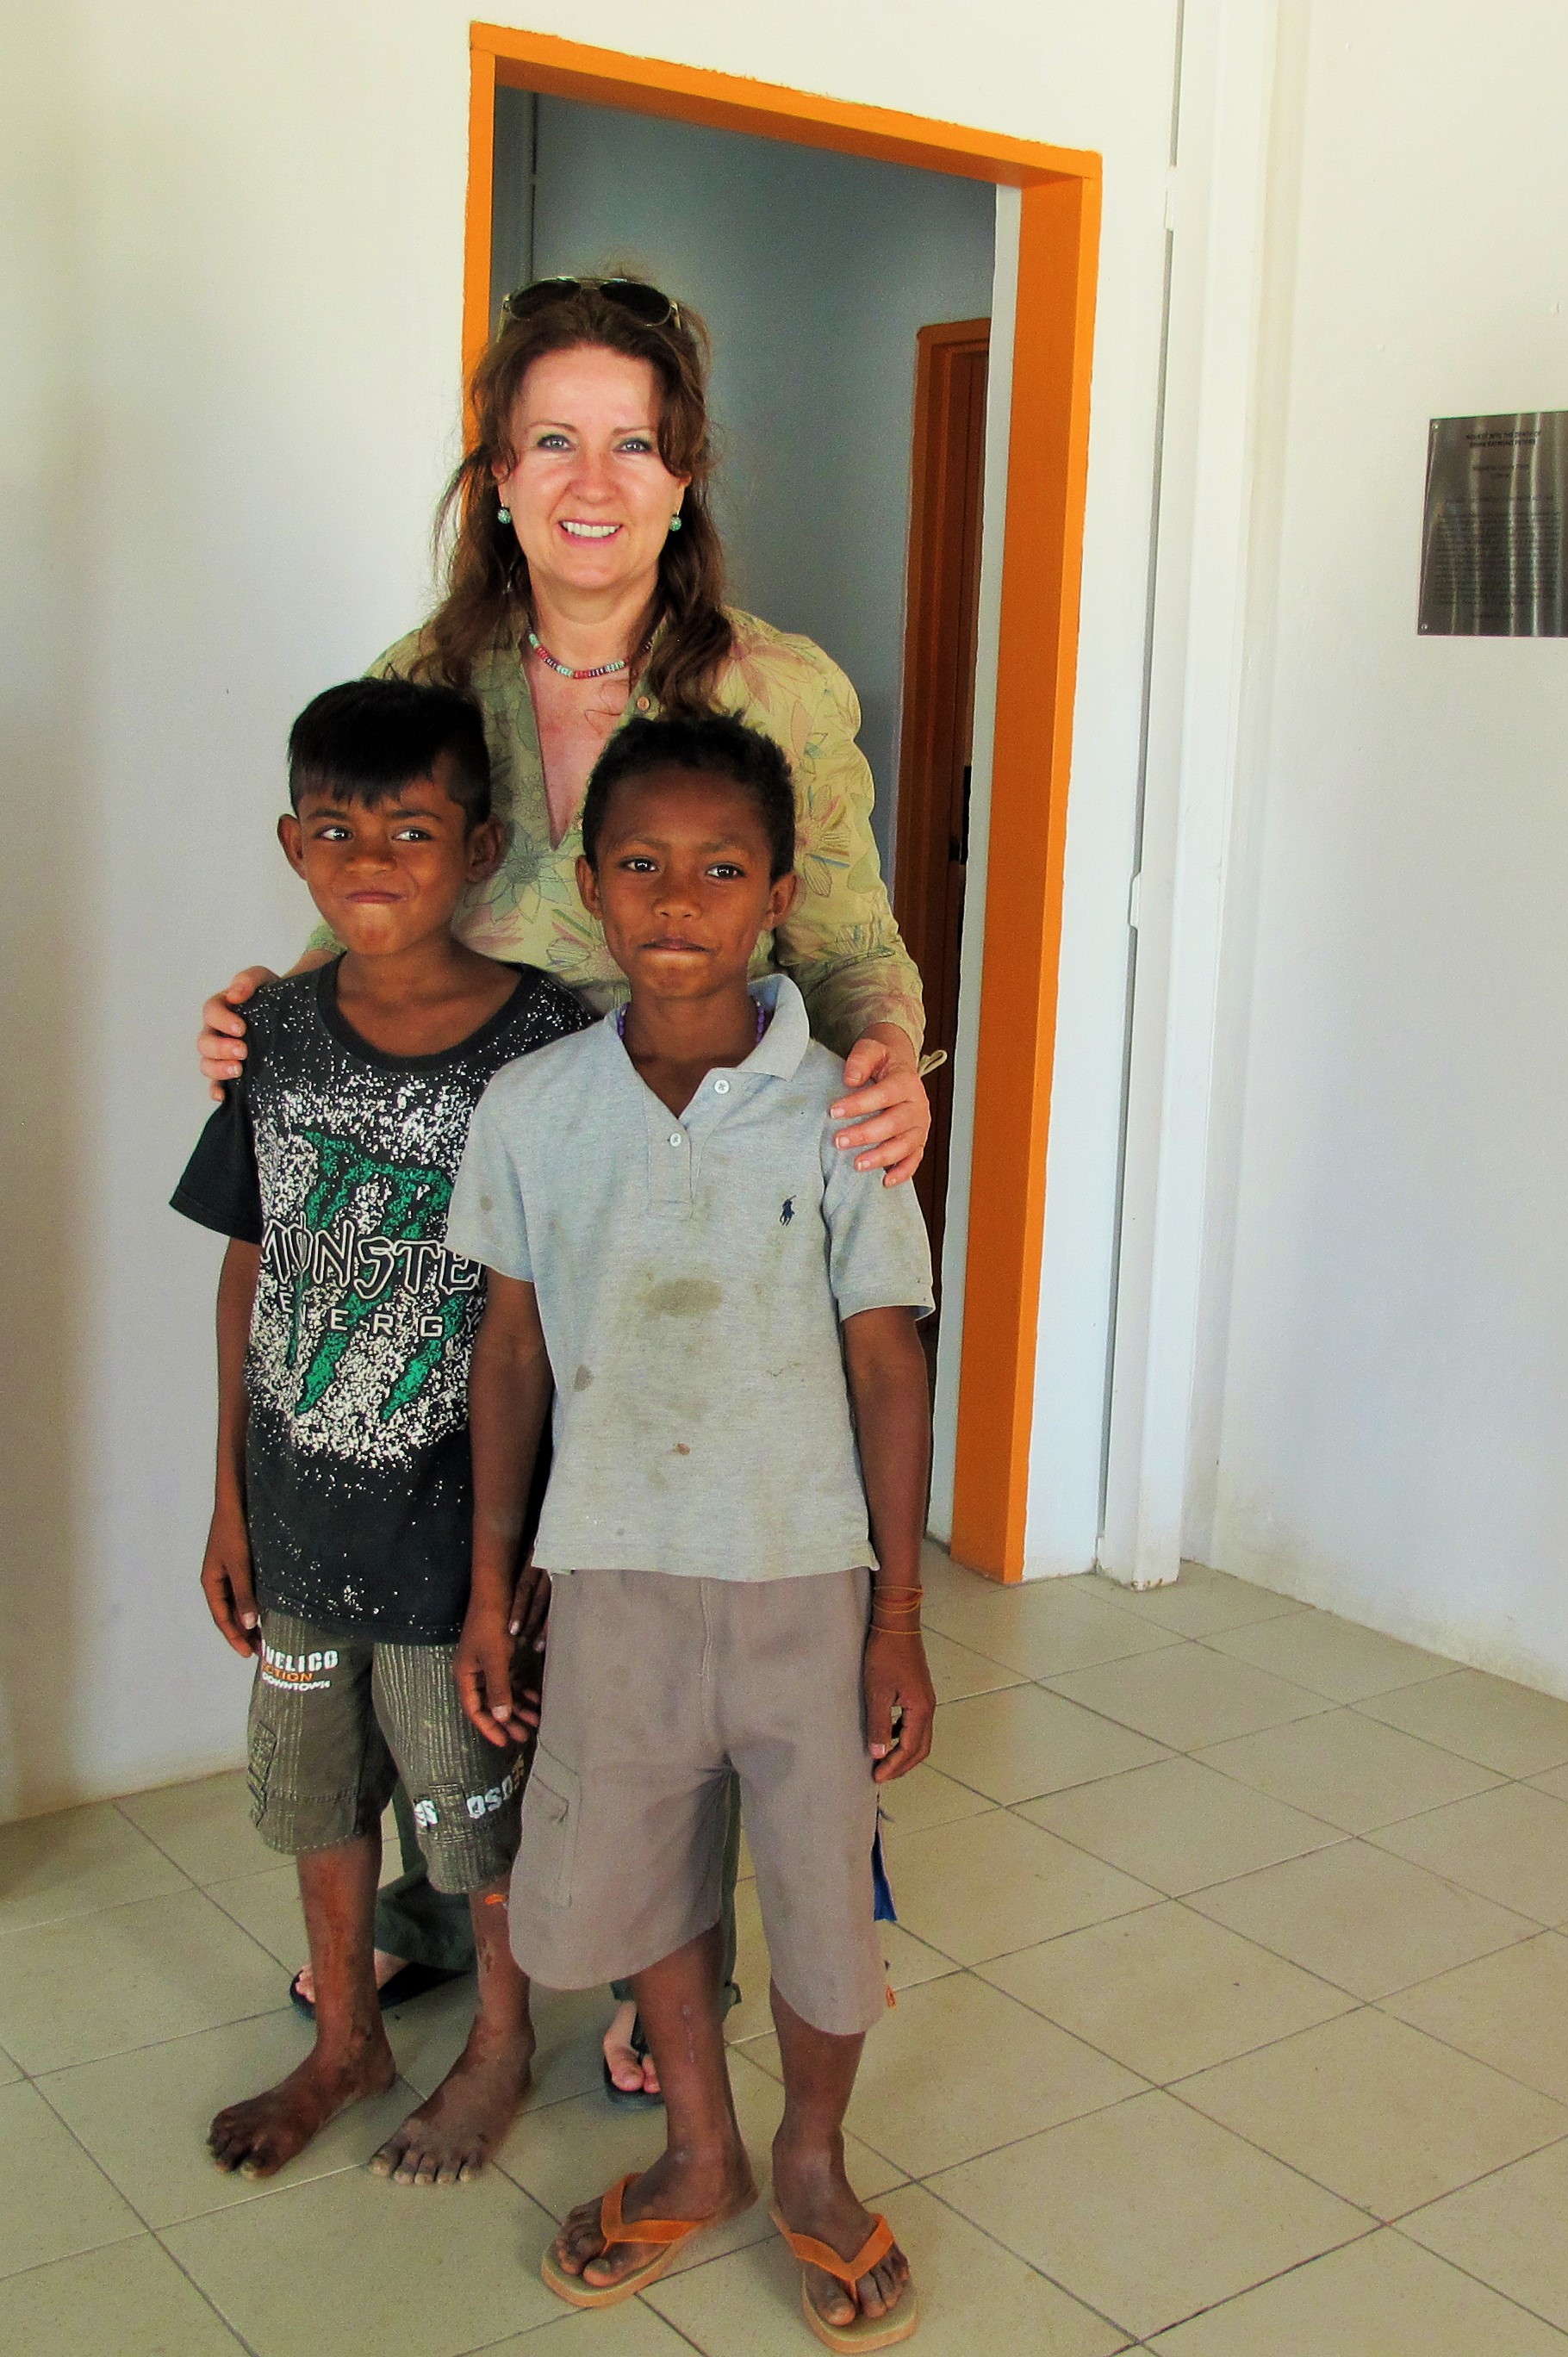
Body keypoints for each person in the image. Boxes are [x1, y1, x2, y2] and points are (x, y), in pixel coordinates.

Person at [193, 277, 934, 2092]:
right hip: (468, 1179)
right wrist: (267, 1008)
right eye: (551, 441)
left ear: (682, 477)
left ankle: (663, 1974)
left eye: (631, 443)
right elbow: (377, 895)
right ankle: (454, 1904)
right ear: (500, 476)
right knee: (453, 1544)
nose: (591, 481)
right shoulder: (425, 677)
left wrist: (893, 1075)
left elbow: (853, 945)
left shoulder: (776, 688)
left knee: (653, 1578)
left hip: (692, 1201)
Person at [450, 712, 932, 2346]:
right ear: (588, 887)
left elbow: (888, 1359)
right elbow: (511, 1352)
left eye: (722, 871)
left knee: (819, 1894)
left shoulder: (844, 1113)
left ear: (780, 895)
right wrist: (494, 1581)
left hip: (803, 1579)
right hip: (616, 1571)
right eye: (642, 865)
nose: (678, 901)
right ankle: (701, 2148)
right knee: (649, 1871)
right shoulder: (532, 1109)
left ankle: (812, 2161)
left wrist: (899, 1620)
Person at [171, 678, 591, 2184]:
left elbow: (558, 1320)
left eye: (410, 831)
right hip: (296, 1518)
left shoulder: (548, 1042)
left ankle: (501, 2042)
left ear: (477, 848)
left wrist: (525, 1559)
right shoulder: (275, 1032)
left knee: (472, 1802)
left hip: (456, 1536)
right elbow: (251, 1263)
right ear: (293, 845)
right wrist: (228, 1501)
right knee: (314, 1787)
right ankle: (345, 2035)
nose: (370, 861)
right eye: (336, 831)